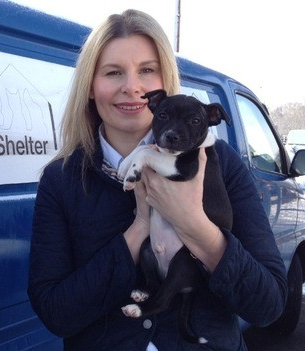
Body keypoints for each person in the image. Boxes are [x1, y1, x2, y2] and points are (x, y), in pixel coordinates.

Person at [28, 9, 287, 351]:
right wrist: (139, 226)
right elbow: (55, 313)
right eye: (113, 72)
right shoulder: (61, 180)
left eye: (147, 70)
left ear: (164, 82)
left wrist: (195, 226)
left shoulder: (221, 162)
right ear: (90, 86)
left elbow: (268, 305)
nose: (132, 87)